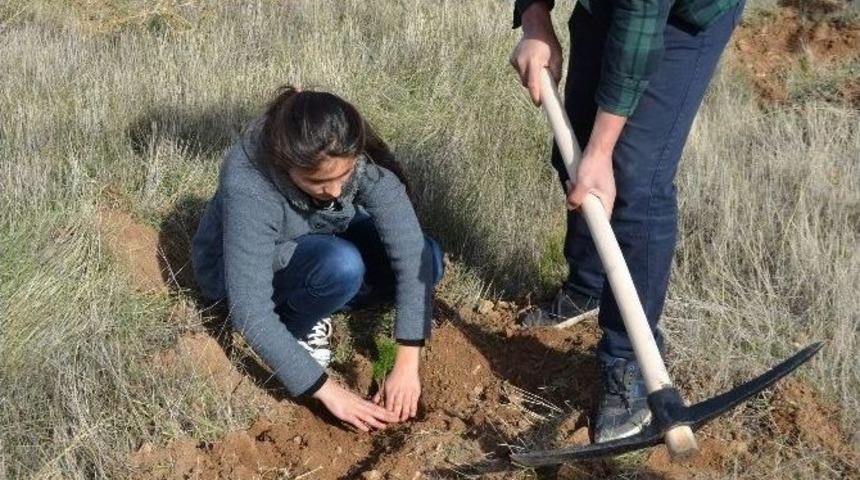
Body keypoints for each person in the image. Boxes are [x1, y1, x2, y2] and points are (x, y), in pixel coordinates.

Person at [510, 0, 745, 442]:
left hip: (680, 18)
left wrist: (602, 153)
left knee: (636, 181)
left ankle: (630, 361)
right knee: (573, 149)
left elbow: (639, 25)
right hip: (611, 7)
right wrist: (535, 19)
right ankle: (587, 286)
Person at [191, 87, 445, 432]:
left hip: (318, 236)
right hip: (243, 269)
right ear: (287, 166)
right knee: (341, 265)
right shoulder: (250, 184)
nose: (337, 191)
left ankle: (325, 295)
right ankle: (300, 319)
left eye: (345, 175)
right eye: (319, 182)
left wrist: (406, 361)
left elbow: (411, 255)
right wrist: (327, 391)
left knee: (429, 257)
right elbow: (249, 310)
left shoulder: (348, 155)